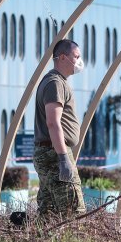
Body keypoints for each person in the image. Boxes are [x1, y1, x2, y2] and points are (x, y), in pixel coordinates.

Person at [32, 39, 86, 217]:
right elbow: (53, 122)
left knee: (49, 212)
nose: (79, 61)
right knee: (73, 211)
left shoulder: (55, 81)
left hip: (49, 152)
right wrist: (63, 158)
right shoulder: (55, 83)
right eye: (76, 56)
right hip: (54, 153)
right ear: (63, 57)